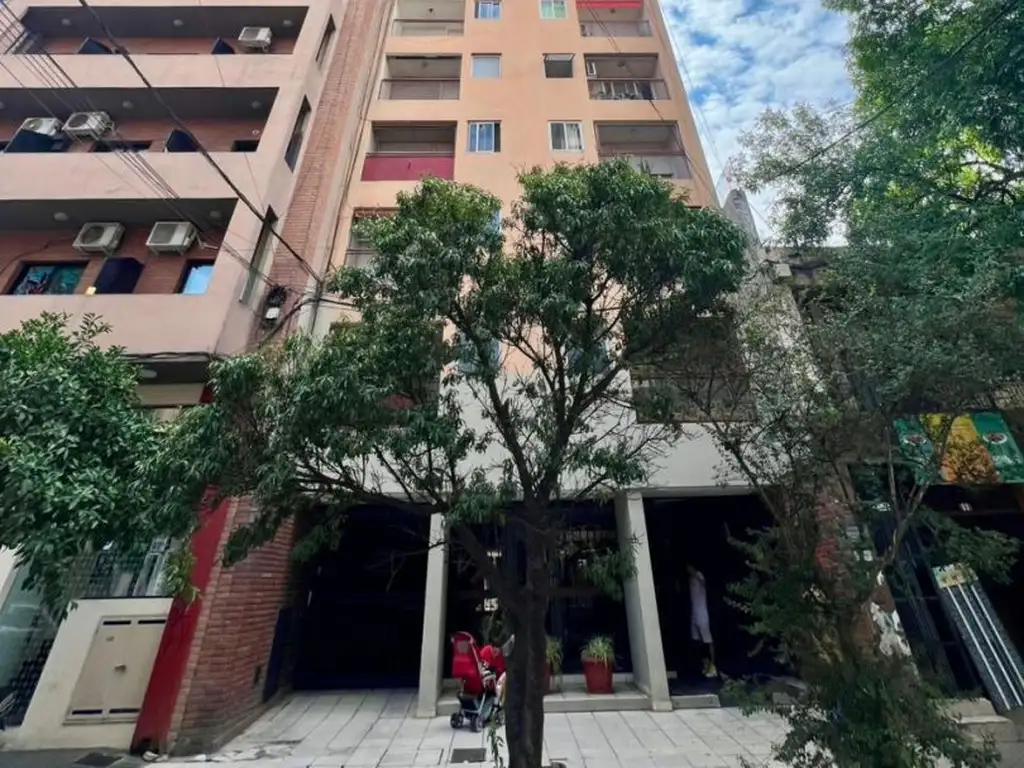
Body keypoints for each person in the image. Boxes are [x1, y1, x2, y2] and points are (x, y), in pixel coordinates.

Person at [688, 564, 718, 678]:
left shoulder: (699, 575)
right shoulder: (690, 579)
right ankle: (705, 664)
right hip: (694, 613)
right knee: (698, 640)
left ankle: (713, 665)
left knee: (707, 639)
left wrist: (696, 575)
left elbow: (705, 585)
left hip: (702, 613)